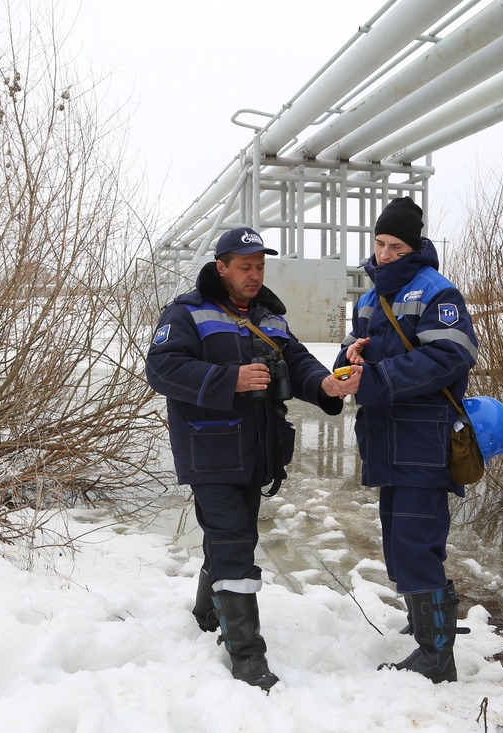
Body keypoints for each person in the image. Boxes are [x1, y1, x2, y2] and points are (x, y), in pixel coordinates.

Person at [146, 226, 361, 691]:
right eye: (245, 266)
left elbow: (298, 361)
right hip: (210, 450)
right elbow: (161, 368)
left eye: (260, 265)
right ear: (221, 267)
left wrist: (325, 385)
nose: (254, 274)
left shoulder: (270, 316)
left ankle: (207, 612)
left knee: (232, 535)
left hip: (259, 450)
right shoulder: (186, 312)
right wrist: (230, 379)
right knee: (234, 544)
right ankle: (246, 655)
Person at [334, 196, 479, 684]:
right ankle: (427, 630)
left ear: (415, 247)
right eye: (380, 243)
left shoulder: (439, 293)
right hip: (384, 436)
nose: (386, 253)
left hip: (423, 438)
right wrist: (349, 356)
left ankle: (437, 656)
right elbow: (359, 357)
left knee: (418, 544)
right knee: (398, 545)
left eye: (397, 245)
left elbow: (450, 359)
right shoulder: (370, 296)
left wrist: (373, 380)